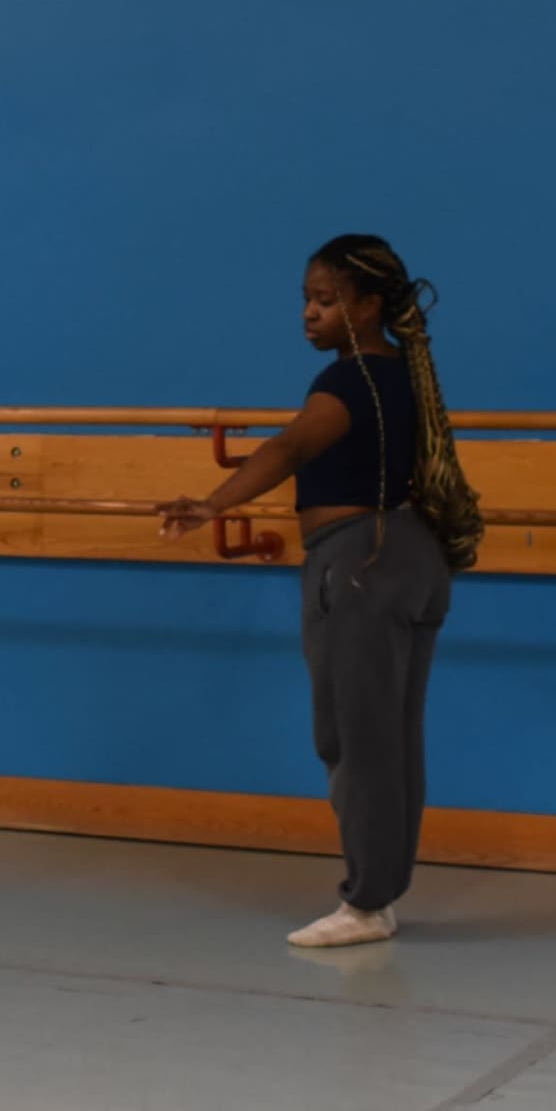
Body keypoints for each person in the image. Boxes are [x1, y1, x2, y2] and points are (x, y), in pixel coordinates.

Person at [162, 235, 483, 949]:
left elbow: (288, 447)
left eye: (326, 299)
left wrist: (214, 504)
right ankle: (380, 892)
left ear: (368, 307)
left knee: (354, 739)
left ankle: (367, 903)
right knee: (390, 737)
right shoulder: (401, 375)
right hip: (408, 558)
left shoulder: (349, 383)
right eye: (306, 298)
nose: (309, 313)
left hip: (362, 561)